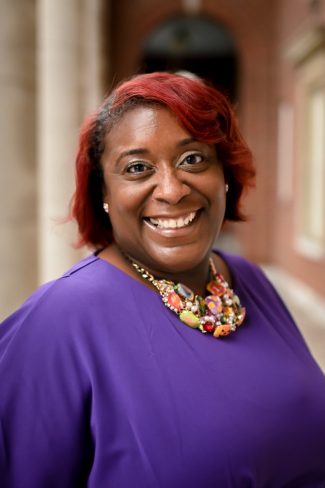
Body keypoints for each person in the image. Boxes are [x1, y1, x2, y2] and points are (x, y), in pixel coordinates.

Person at [1, 72, 325, 488]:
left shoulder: (247, 279)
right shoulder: (61, 320)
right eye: (137, 168)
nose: (172, 190)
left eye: (193, 159)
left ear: (224, 173)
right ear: (103, 193)